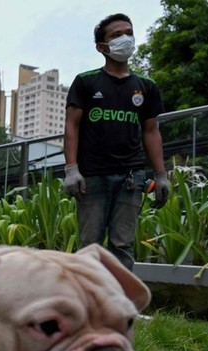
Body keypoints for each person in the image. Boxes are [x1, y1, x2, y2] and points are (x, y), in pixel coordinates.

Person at [63, 13, 169, 271]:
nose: (125, 39)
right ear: (102, 47)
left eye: (129, 33)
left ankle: (121, 307)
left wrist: (161, 175)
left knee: (123, 245)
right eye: (116, 35)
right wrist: (71, 169)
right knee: (90, 245)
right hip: (92, 177)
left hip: (131, 177)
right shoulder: (86, 82)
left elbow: (151, 131)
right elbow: (71, 125)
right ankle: (89, 305)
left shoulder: (146, 86)